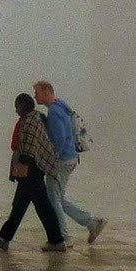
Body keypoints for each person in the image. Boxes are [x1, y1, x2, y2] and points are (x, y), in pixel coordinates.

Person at [0, 92, 67, 252]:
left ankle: (56, 240)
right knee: (24, 205)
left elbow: (29, 149)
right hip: (32, 170)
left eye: (17, 107)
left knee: (36, 206)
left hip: (32, 170)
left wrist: (21, 168)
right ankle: (7, 238)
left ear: (23, 106)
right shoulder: (35, 118)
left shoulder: (30, 122)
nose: (16, 111)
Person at [34, 79, 105, 245]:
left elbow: (58, 140)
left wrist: (51, 160)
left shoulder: (54, 112)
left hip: (62, 161)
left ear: (46, 91)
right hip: (71, 158)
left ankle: (61, 237)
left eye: (37, 92)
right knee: (58, 198)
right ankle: (92, 222)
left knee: (53, 199)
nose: (35, 96)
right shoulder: (61, 107)